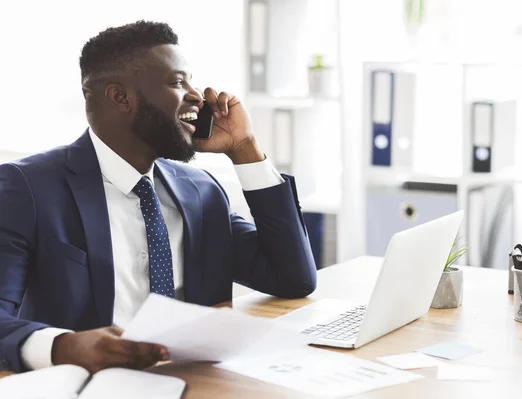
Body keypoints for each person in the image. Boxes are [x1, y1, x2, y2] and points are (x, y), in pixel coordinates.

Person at [0, 20, 317, 374]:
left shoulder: (200, 192)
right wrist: (63, 346)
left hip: (192, 382)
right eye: (178, 82)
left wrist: (245, 148)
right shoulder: (27, 188)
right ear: (121, 97)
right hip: (90, 386)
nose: (197, 95)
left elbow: (294, 279)